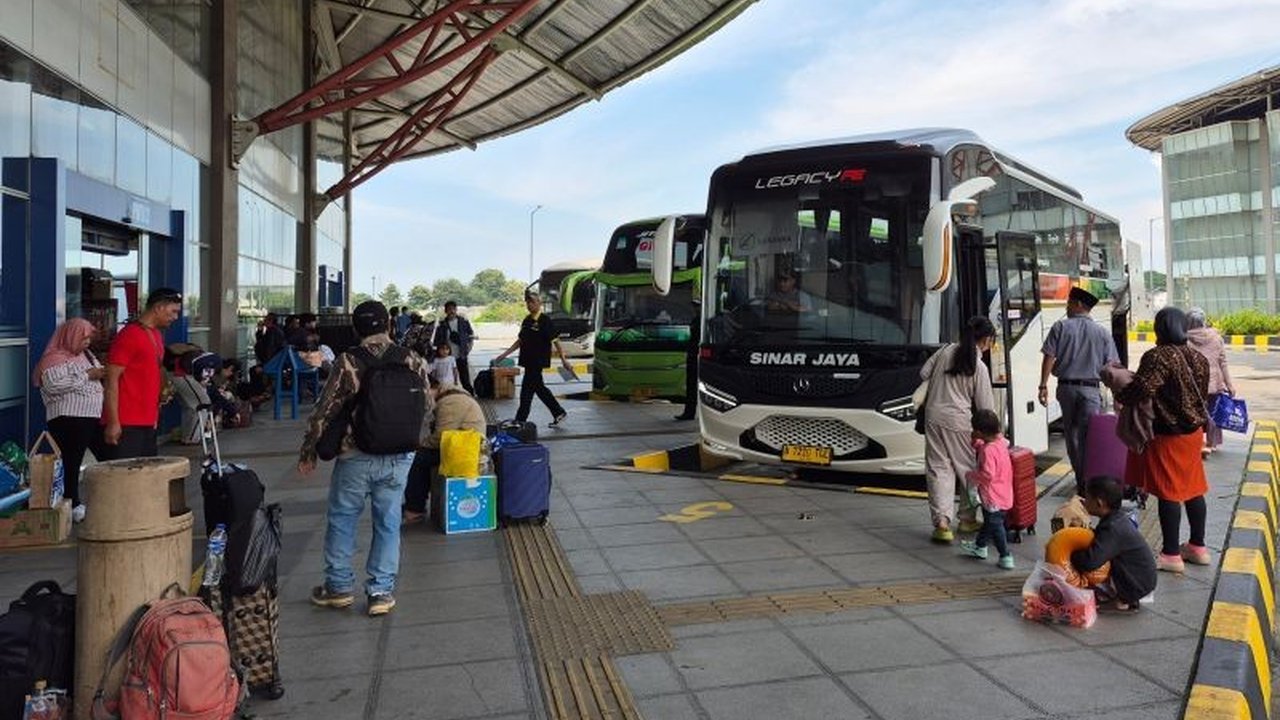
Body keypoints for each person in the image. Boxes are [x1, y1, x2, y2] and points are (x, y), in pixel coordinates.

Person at [298, 300, 433, 616]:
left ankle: (338, 587)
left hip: (356, 454)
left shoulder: (347, 362)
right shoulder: (412, 359)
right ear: (388, 325)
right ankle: (381, 592)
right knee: (388, 522)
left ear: (356, 328)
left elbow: (324, 411)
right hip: (400, 455)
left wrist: (309, 451)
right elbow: (427, 406)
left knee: (343, 519)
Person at [1115, 306, 1210, 573]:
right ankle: (1198, 547)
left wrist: (1122, 396)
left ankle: (1170, 554)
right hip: (1193, 433)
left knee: (1169, 491)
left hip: (1167, 434)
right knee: (1193, 488)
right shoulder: (1197, 358)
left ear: (1159, 329)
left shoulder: (1158, 356)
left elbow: (1144, 388)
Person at [920, 316, 997, 543]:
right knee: (969, 471)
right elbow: (986, 407)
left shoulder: (944, 352)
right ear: (986, 340)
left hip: (933, 417)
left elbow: (924, 374)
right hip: (960, 423)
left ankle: (942, 524)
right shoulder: (978, 366)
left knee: (938, 469)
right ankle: (966, 519)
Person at [1038, 286, 1119, 494]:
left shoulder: (1060, 327)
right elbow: (1112, 367)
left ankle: (1081, 480)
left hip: (1067, 389)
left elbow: (1049, 356)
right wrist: (1117, 395)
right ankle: (1088, 481)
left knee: (1072, 437)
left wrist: (1043, 385)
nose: (1067, 306)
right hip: (1091, 391)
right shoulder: (1102, 333)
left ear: (1079, 305)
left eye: (1069, 303)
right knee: (1088, 436)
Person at [33, 318, 104, 522]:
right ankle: (71, 501)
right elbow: (53, 385)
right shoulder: (54, 359)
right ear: (71, 336)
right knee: (72, 460)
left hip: (90, 416)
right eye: (84, 339)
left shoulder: (85, 356)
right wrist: (87, 376)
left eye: (89, 339)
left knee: (105, 454)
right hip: (69, 418)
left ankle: (92, 498)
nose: (87, 343)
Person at [102, 287, 183, 459]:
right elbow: (111, 380)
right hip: (126, 422)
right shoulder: (129, 335)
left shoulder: (156, 335)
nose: (176, 317)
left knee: (145, 478)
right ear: (159, 308)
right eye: (173, 311)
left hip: (147, 421)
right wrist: (113, 422)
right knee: (126, 478)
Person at [402, 380, 486, 524]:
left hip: (465, 451)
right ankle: (416, 505)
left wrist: (419, 445)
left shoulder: (450, 402)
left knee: (417, 460)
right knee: (423, 457)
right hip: (464, 446)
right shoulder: (454, 397)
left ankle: (414, 509)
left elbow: (442, 436)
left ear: (434, 388)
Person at [1070, 475, 1158, 611]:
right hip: (1144, 579)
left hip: (1136, 584)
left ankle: (1125, 599)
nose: (1084, 501)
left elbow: (1090, 562)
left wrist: (1071, 553)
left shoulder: (1112, 528)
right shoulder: (1117, 519)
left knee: (1084, 573)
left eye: (1087, 498)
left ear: (1099, 503)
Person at [494, 292, 573, 426]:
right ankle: (558, 412)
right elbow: (520, 340)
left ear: (539, 304)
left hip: (538, 361)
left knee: (527, 390)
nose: (530, 305)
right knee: (539, 388)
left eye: (533, 302)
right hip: (528, 360)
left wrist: (564, 360)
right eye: (528, 303)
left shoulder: (545, 321)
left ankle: (520, 420)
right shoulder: (526, 320)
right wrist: (505, 354)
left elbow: (556, 341)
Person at [959, 409, 1015, 570]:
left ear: (978, 431)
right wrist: (977, 442)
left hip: (992, 496)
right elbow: (984, 445)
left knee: (995, 526)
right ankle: (980, 546)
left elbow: (988, 474)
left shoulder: (988, 450)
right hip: (1005, 492)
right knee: (990, 522)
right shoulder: (1001, 442)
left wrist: (972, 475)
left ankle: (1005, 556)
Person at [1185, 307, 1234, 456]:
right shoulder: (1216, 338)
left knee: (1195, 414)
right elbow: (1223, 363)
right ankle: (1212, 444)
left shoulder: (1185, 340)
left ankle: (1199, 443)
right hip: (1215, 383)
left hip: (1194, 385)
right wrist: (1229, 385)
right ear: (1204, 321)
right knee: (1213, 414)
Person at [432, 300, 476, 394]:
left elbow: (470, 335)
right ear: (445, 311)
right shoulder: (442, 324)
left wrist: (469, 347)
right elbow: (439, 339)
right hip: (447, 355)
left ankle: (470, 394)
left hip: (461, 354)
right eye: (449, 309)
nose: (451, 311)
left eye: (453, 309)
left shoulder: (463, 322)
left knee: (465, 377)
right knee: (447, 378)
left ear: (456, 310)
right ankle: (449, 394)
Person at [675, 293, 701, 421]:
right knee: (691, 385)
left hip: (696, 355)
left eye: (697, 306)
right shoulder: (696, 319)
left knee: (693, 386)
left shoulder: (701, 321)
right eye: (694, 306)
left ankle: (690, 412)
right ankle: (689, 411)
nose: (694, 309)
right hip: (693, 354)